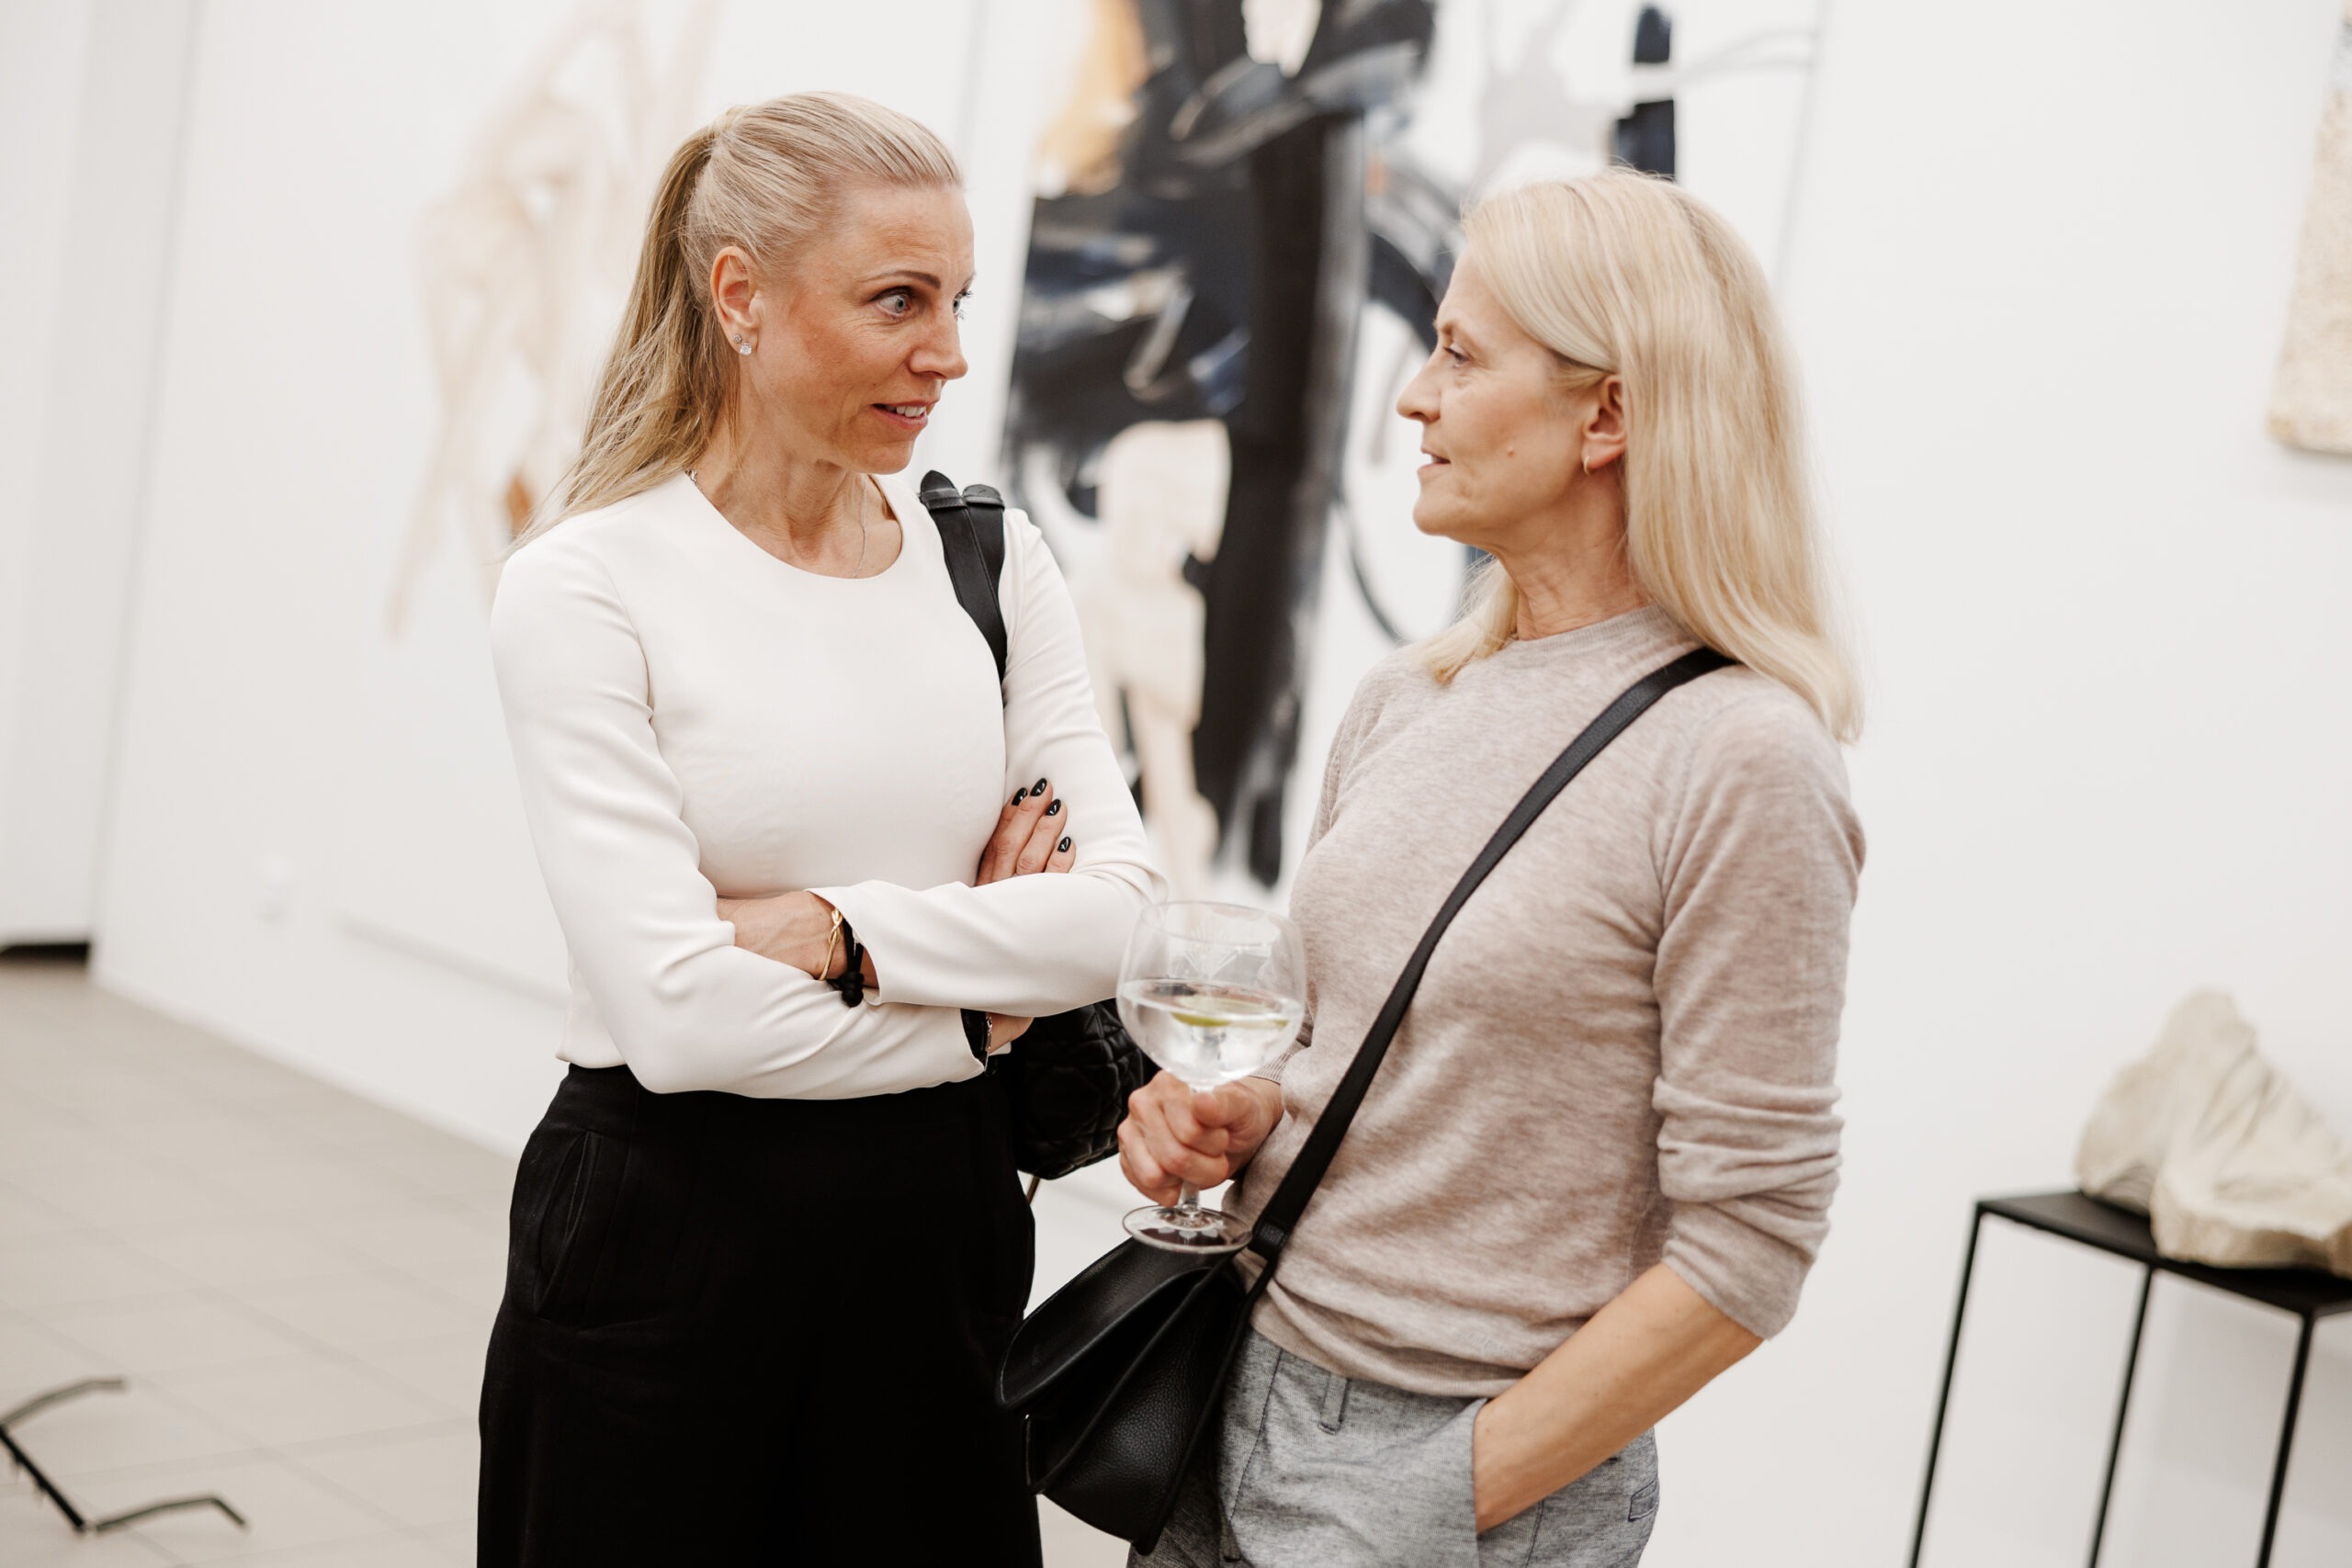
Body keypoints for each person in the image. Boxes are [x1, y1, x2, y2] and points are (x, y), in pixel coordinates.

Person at [1120, 170, 1866, 1567]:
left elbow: (1751, 1244)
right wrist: (1230, 1118)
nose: (1415, 397)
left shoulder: (1742, 758)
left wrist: (1448, 1488)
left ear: (1609, 416)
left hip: (1458, 1475)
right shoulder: (1409, 699)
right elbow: (1345, 1054)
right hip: (1230, 1391)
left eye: (1461, 355)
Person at [477, 93, 1162, 1567]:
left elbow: (1122, 917)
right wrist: (978, 1014)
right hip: (665, 1241)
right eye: (898, 301)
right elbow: (678, 1023)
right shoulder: (586, 585)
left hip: (938, 1240)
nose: (949, 353)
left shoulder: (987, 558)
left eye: (959, 300)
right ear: (740, 295)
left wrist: (840, 935)